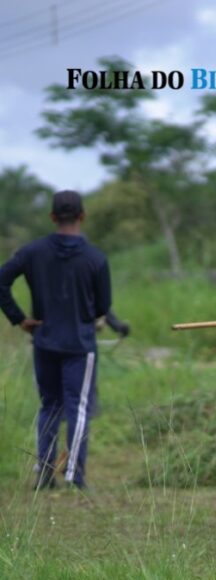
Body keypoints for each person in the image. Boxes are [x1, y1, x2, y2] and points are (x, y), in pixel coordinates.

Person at [0, 190, 112, 490]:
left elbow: (2, 279)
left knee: (49, 404)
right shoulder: (95, 258)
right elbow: (103, 307)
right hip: (80, 345)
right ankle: (75, 475)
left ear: (52, 217)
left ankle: (46, 474)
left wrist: (19, 318)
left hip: (44, 341)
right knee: (78, 406)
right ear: (82, 216)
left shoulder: (32, 252)